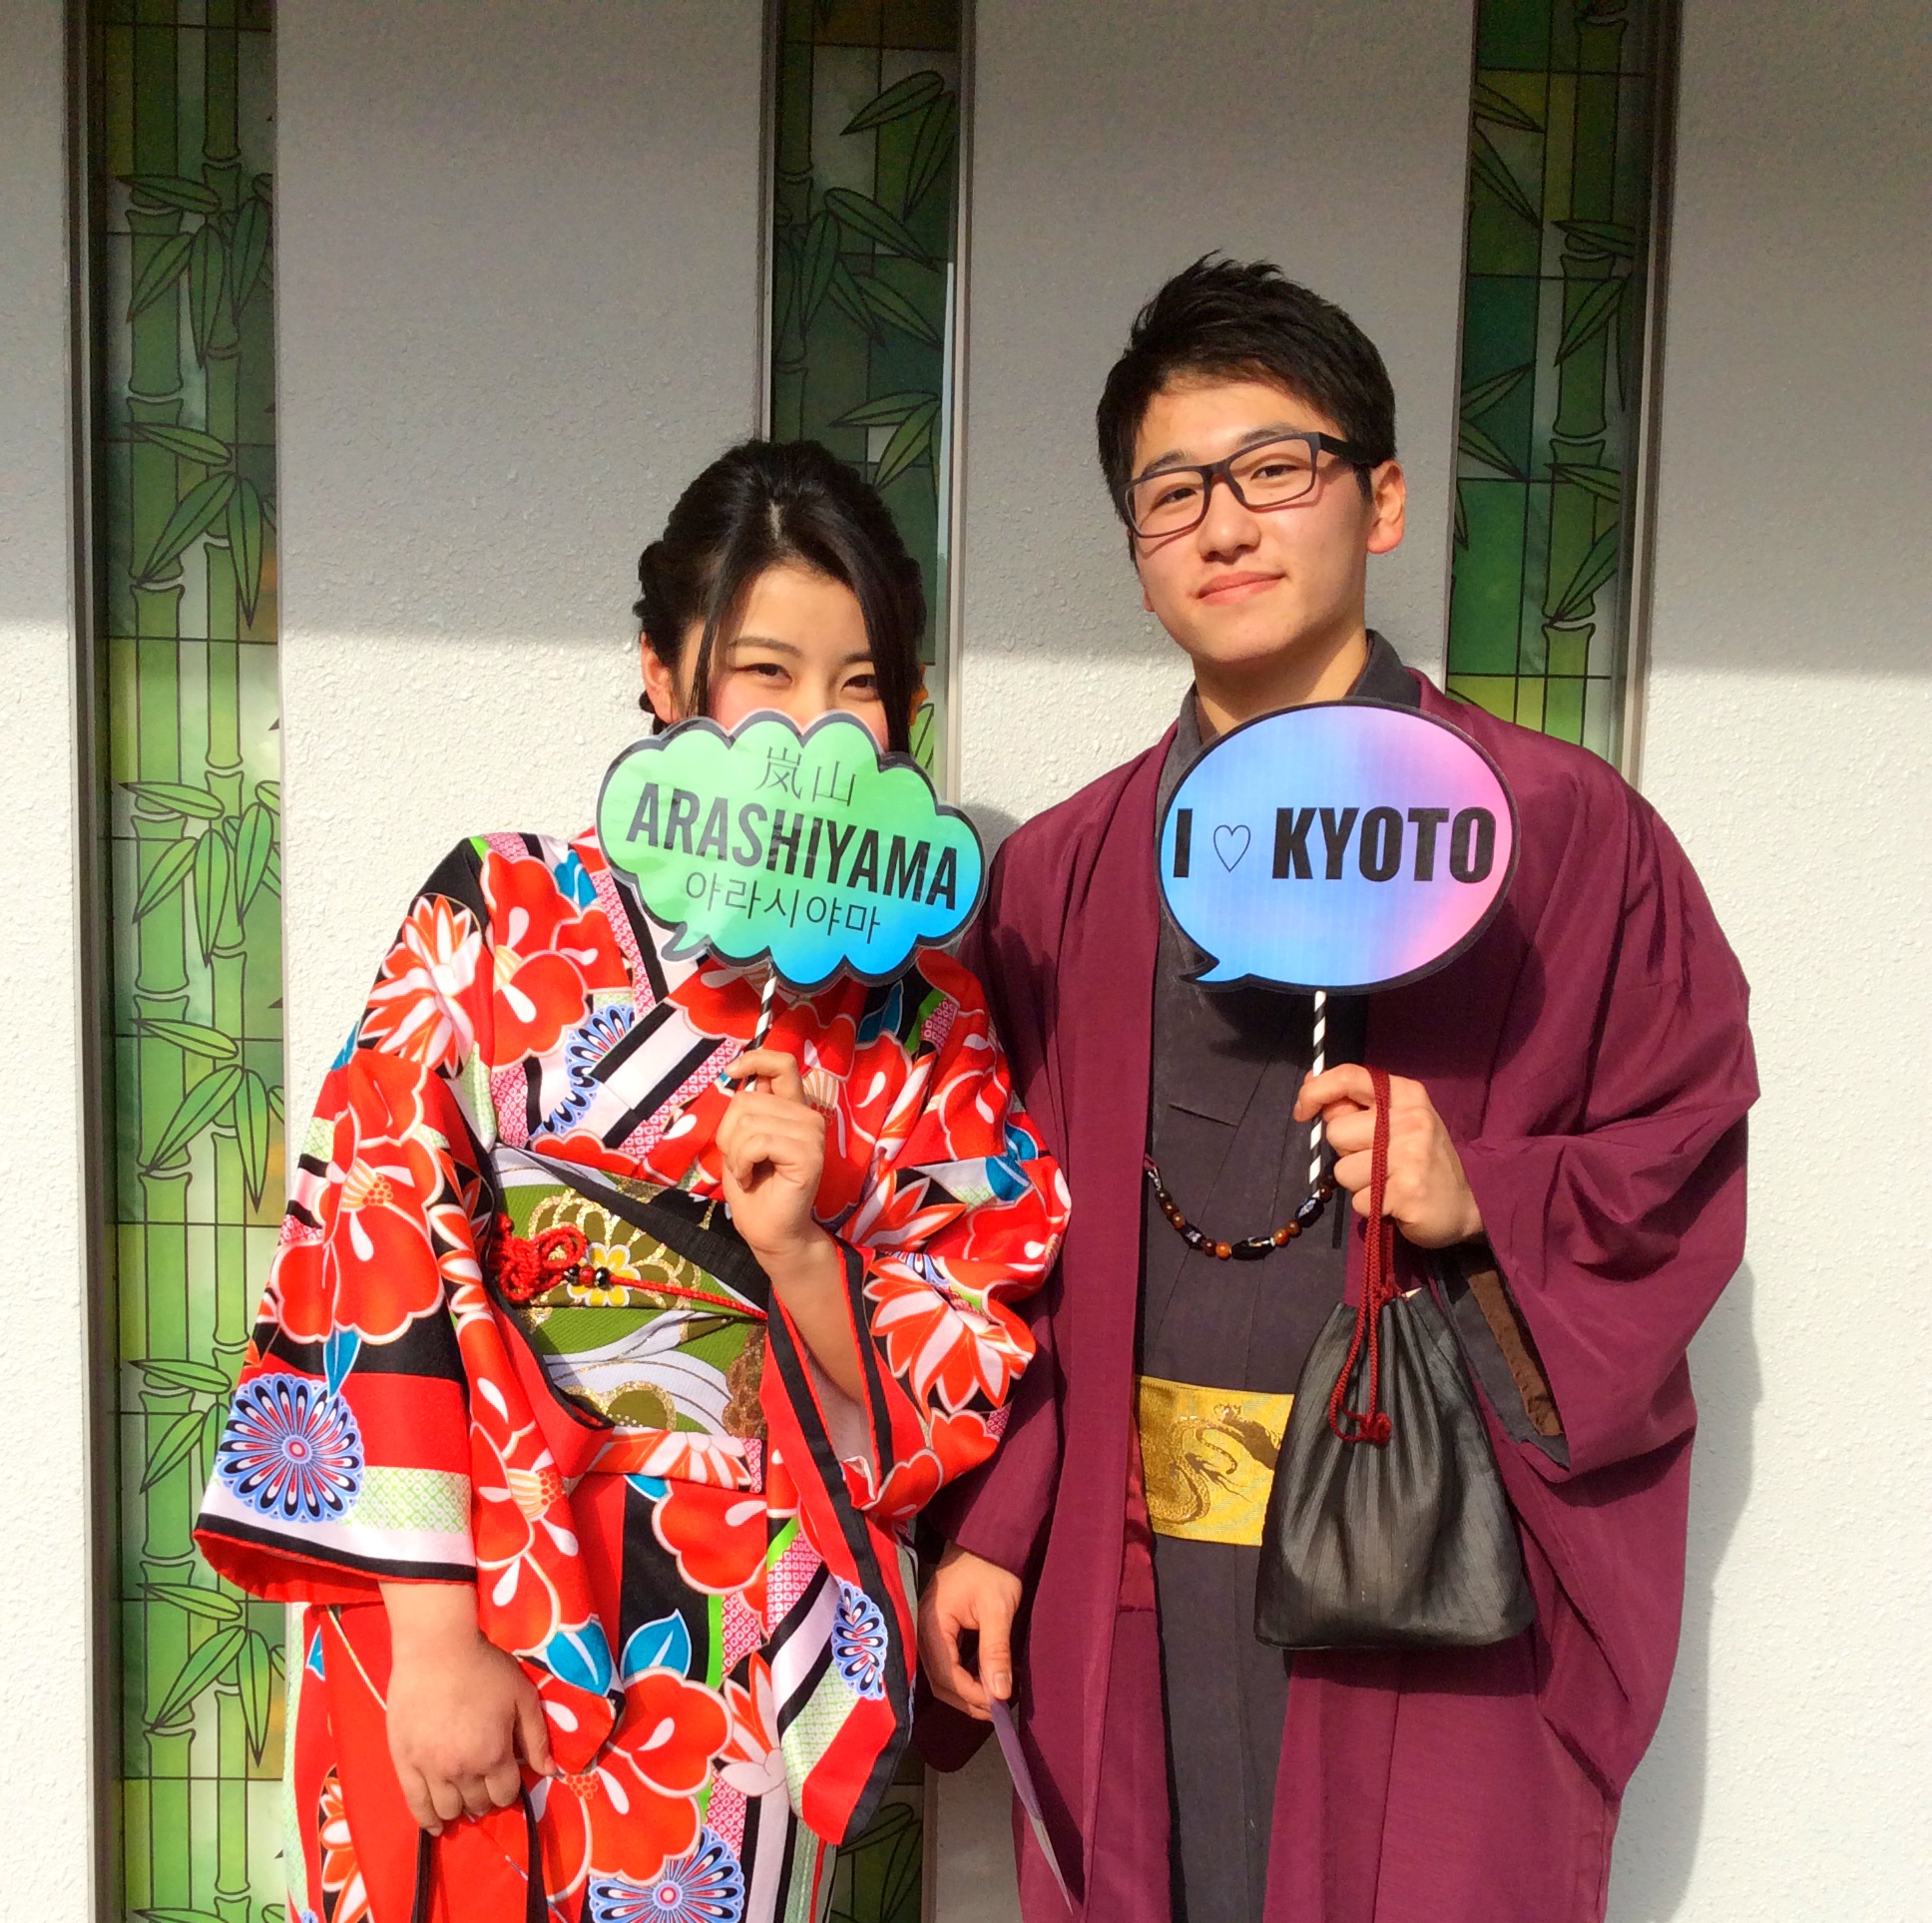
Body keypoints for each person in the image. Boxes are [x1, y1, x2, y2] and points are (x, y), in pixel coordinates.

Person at [915, 258, 1756, 1922]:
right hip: (1131, 1569)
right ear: (1137, 551)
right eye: (1172, 491)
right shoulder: (1064, 877)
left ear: (1380, 501)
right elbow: (992, 1250)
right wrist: (1000, 1522)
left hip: (1419, 1556)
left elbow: (1682, 1150)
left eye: (1275, 468)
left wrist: (1485, 1195)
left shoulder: (1560, 836)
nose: (1224, 524)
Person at [196, 439, 1070, 1923]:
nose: (812, 727)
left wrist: (801, 1256)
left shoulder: (925, 1018)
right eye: (765, 672)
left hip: (735, 1623)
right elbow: (371, 1232)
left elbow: (963, 1352)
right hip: (468, 1581)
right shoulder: (500, 911)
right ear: (662, 674)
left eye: (860, 685)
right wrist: (435, 1635)